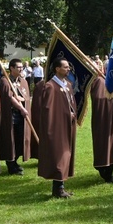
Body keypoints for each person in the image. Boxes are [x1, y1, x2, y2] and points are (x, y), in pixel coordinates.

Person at [35, 58, 77, 198]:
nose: (68, 69)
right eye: (65, 67)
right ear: (57, 69)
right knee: (59, 155)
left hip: (67, 126)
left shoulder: (68, 85)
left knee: (66, 154)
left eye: (68, 66)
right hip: (57, 127)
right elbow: (49, 110)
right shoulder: (50, 87)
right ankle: (58, 189)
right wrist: (66, 114)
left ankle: (61, 186)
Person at [89, 59, 113, 183]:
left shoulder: (111, 80)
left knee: (111, 145)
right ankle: (106, 173)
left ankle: (109, 171)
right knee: (104, 145)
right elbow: (99, 99)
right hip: (104, 120)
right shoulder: (99, 81)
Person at [0, 58, 31, 175]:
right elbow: (9, 97)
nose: (21, 69)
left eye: (22, 67)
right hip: (11, 116)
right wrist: (21, 107)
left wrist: (23, 102)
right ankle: (11, 165)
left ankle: (15, 161)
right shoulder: (5, 81)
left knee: (20, 140)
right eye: (18, 67)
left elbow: (26, 97)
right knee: (11, 140)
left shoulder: (23, 81)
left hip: (22, 116)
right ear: (11, 68)